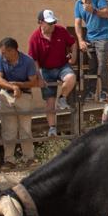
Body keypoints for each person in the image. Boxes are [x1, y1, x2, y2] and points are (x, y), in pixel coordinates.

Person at [28, 9, 77, 137]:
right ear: (40, 23)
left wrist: (74, 57)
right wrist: (39, 77)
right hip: (45, 70)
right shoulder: (34, 38)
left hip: (62, 66)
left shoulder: (60, 30)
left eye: (53, 22)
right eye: (49, 23)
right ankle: (52, 128)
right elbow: (34, 60)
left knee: (71, 77)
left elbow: (73, 43)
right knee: (49, 101)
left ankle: (63, 98)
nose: (52, 25)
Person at [0, 37, 40, 166]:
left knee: (25, 129)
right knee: (8, 129)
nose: (2, 55)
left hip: (24, 95)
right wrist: (13, 87)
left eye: (4, 52)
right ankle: (9, 159)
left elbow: (33, 81)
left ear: (12, 50)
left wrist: (18, 85)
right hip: (6, 95)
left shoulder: (28, 61)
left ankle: (29, 158)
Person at [72, 0, 108, 102]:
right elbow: (77, 24)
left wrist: (93, 10)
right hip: (90, 37)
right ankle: (90, 92)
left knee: (102, 64)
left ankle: (105, 92)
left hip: (104, 36)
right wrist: (80, 40)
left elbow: (107, 13)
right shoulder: (78, 3)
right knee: (92, 66)